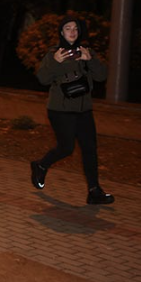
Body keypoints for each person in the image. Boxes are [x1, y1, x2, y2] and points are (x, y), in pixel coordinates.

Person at [30, 15, 114, 205]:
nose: (72, 32)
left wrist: (89, 60)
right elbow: (42, 78)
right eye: (68, 28)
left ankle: (94, 191)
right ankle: (41, 165)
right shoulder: (54, 53)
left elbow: (101, 76)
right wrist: (55, 62)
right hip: (60, 110)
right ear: (61, 32)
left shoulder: (86, 51)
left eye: (75, 29)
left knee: (90, 149)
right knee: (66, 148)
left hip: (84, 110)